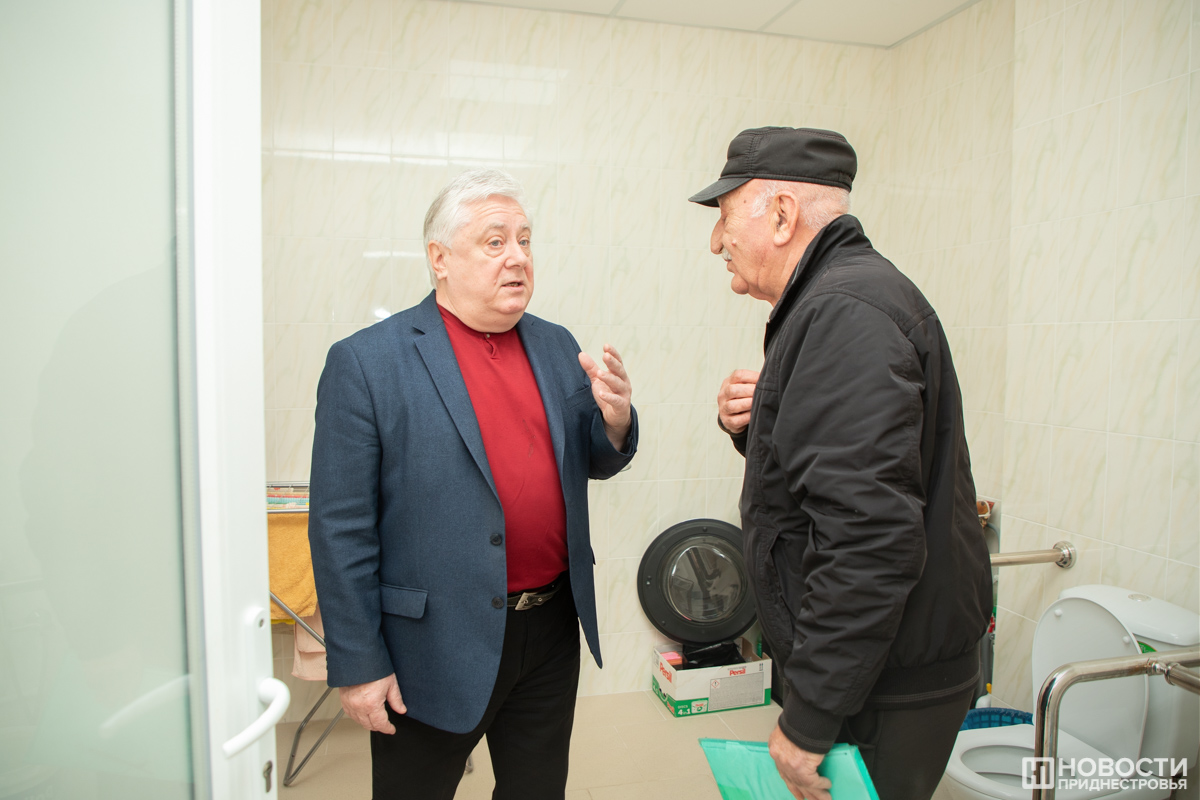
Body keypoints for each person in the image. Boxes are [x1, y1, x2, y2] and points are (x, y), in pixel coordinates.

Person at [308, 168, 637, 800]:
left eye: (525, 240)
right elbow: (339, 527)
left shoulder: (556, 345)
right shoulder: (367, 362)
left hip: (549, 628)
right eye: (494, 242)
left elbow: (592, 459)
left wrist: (617, 420)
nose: (517, 257)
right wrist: (359, 664)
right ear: (440, 258)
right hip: (431, 642)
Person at [691, 127, 992, 800]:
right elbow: (833, 477)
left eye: (725, 216)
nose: (715, 241)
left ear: (782, 215)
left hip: (883, 682)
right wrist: (762, 422)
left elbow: (868, 536)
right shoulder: (839, 298)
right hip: (876, 665)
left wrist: (811, 715)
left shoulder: (844, 313)